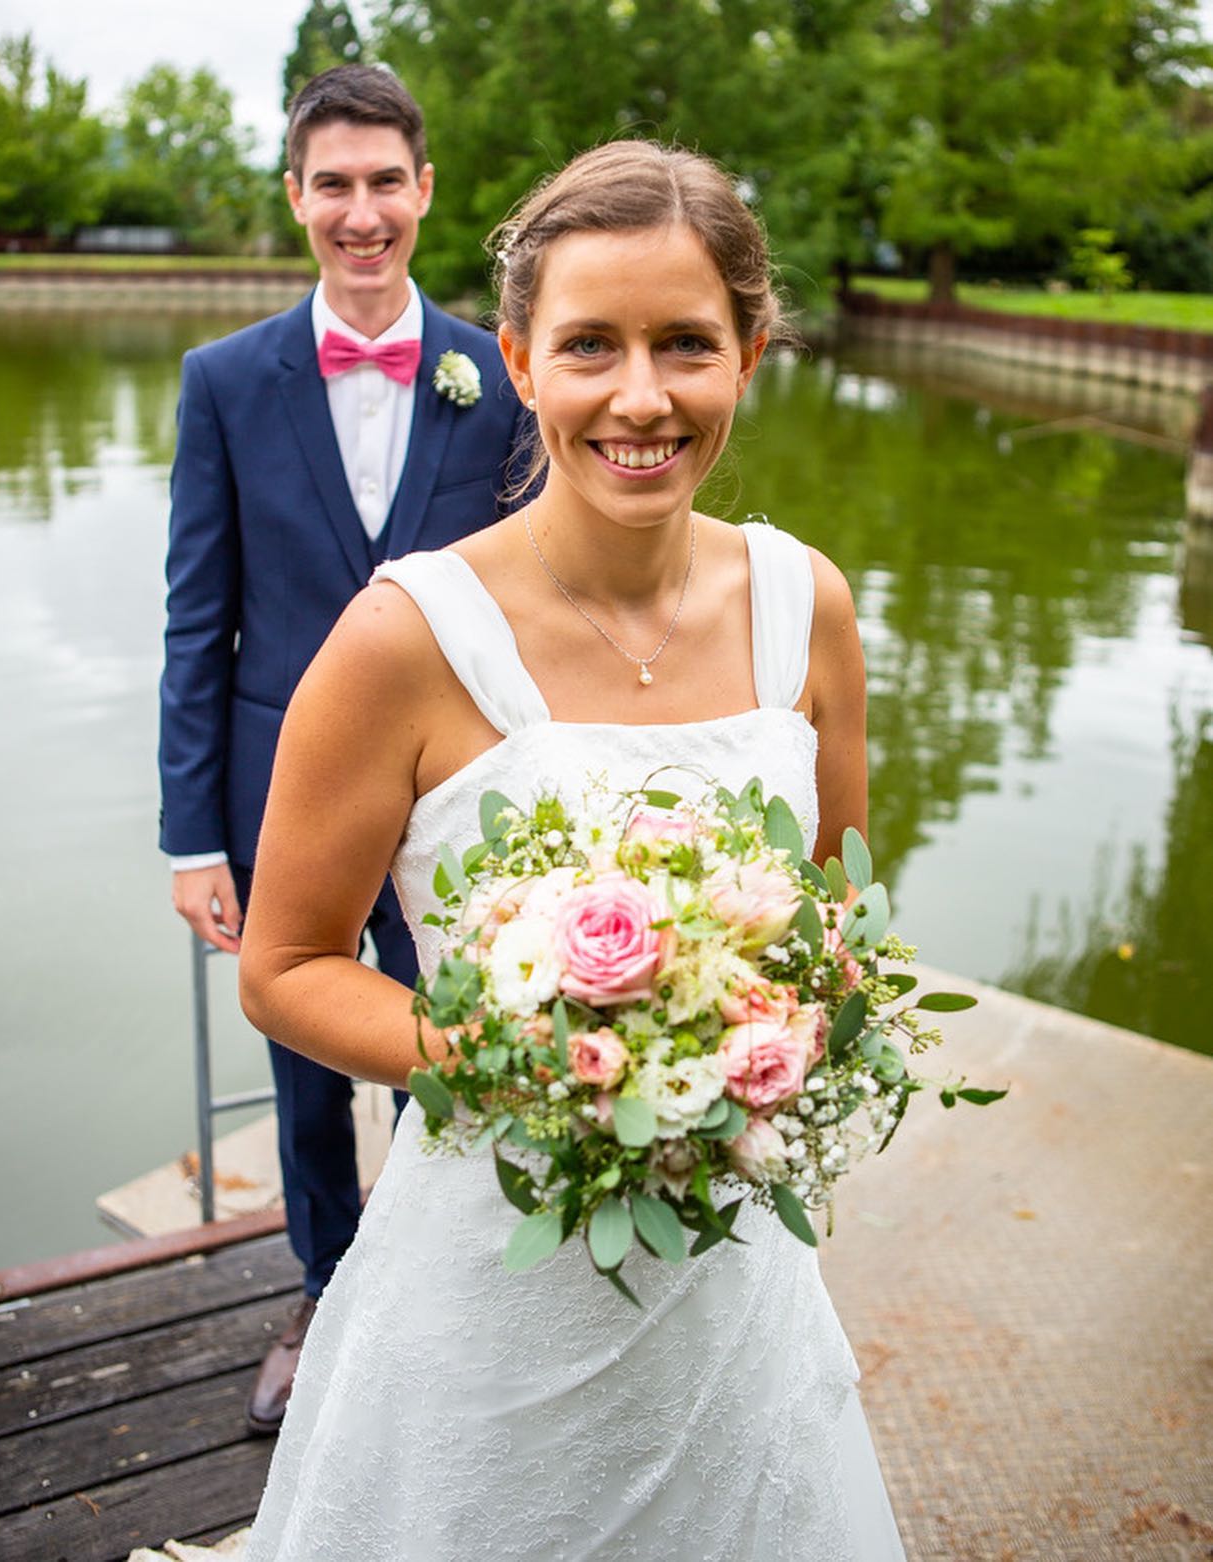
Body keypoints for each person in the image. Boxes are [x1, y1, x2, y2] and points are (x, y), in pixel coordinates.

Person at [237, 141, 905, 1560]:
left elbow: (838, 925)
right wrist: (521, 1057)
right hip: (492, 1279)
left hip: (734, 1280)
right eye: (590, 345)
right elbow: (286, 963)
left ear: (751, 354)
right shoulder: (401, 638)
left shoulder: (809, 608)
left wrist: (758, 1046)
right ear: (521, 361)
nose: (642, 397)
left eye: (687, 345)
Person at [157, 64, 526, 1435]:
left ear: (424, 191)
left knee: (472, 1042)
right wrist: (192, 833)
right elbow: (198, 617)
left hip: (463, 796)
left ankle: (469, 1285)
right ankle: (321, 1292)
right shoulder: (223, 380)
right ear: (296, 197)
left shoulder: (502, 373)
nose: (360, 212)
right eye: (333, 185)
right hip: (275, 797)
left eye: (385, 182)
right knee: (304, 1067)